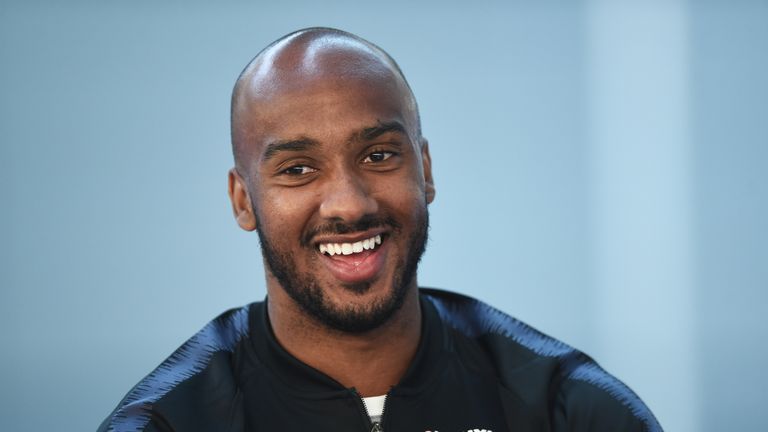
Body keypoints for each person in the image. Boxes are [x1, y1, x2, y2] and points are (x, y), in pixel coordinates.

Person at [98, 28, 662, 432]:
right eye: (297, 169)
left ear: (427, 171)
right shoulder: (169, 422)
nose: (349, 203)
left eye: (379, 155)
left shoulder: (570, 411)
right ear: (243, 200)